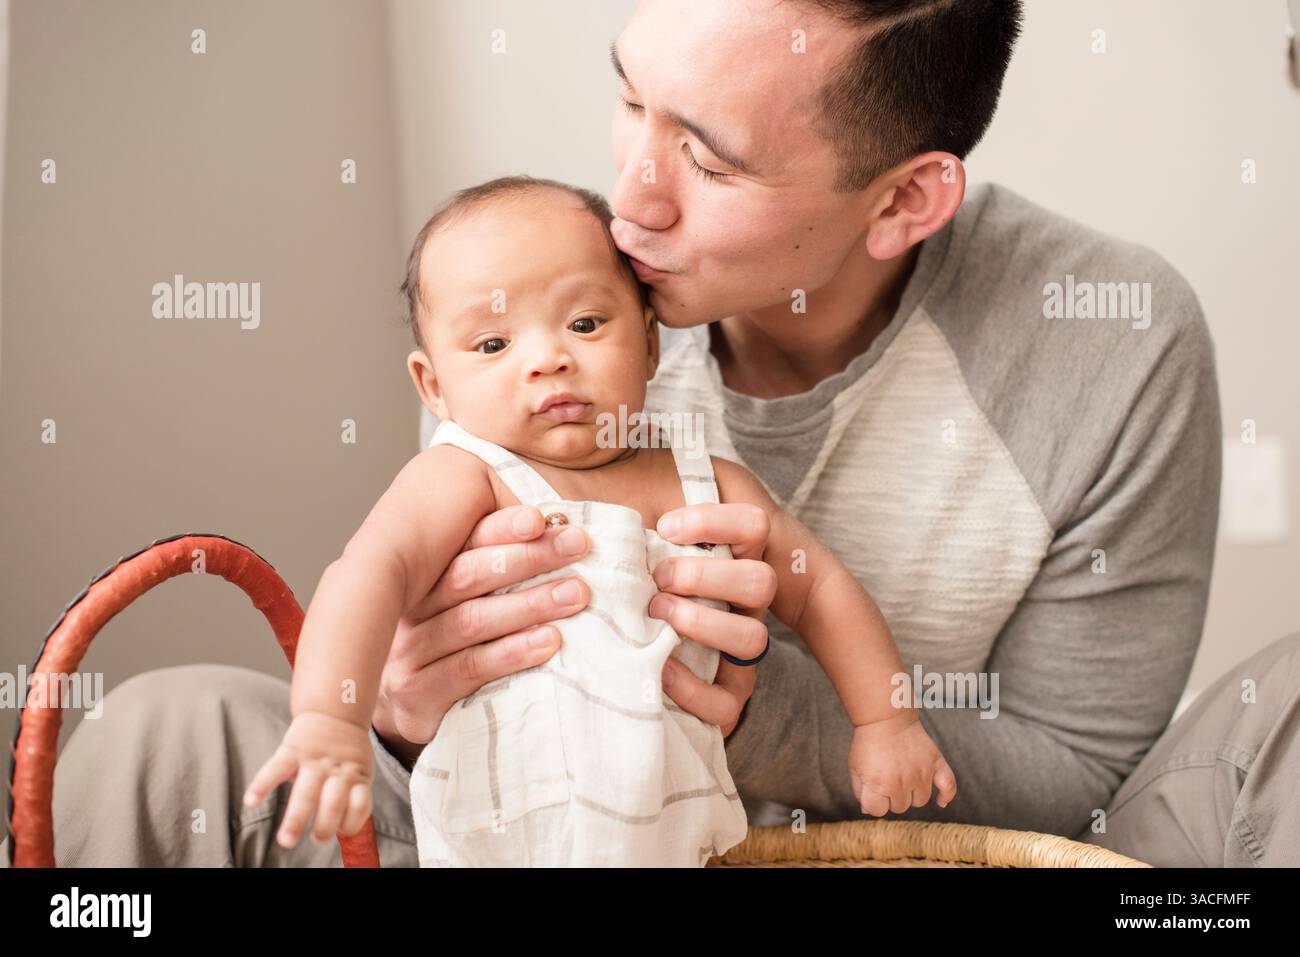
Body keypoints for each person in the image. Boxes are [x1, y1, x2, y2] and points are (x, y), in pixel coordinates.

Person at [6, 0, 1297, 869]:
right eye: (629, 101)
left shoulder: (1113, 347)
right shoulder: (538, 298)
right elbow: (398, 602)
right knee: (173, 732)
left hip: (852, 845)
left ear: (906, 198)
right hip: (518, 825)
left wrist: (770, 712)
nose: (627, 197)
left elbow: (1079, 793)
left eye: (709, 159)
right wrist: (390, 702)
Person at [238, 176, 955, 866]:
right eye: (493, 344)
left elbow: (821, 586)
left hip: (676, 837)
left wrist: (886, 720)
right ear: (435, 387)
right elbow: (370, 573)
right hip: (501, 836)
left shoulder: (703, 481)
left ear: (649, 343)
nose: (548, 359)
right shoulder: (466, 476)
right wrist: (332, 719)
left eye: (584, 323)